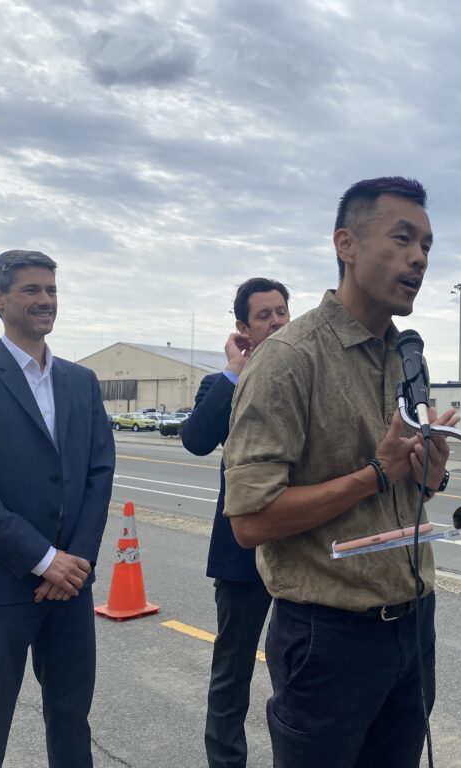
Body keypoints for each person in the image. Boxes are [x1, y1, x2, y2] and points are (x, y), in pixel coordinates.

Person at [223, 177, 459, 767]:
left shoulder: (407, 356)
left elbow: (409, 489)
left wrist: (428, 473)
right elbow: (249, 520)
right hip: (327, 638)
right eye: (402, 238)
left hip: (412, 625)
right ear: (346, 244)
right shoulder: (289, 359)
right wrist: (375, 474)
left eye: (427, 245)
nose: (419, 258)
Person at [0, 250, 115, 768]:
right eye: (32, 290)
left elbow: (99, 474)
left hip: (70, 587)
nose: (46, 301)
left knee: (71, 718)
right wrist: (42, 558)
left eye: (51, 290)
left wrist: (73, 562)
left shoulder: (80, 382)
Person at [182, 277, 291, 768]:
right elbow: (196, 439)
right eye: (263, 315)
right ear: (242, 328)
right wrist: (233, 371)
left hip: (302, 545)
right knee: (233, 667)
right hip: (242, 547)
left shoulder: (304, 374)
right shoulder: (221, 383)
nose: (275, 322)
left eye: (281, 312)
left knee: (300, 668)